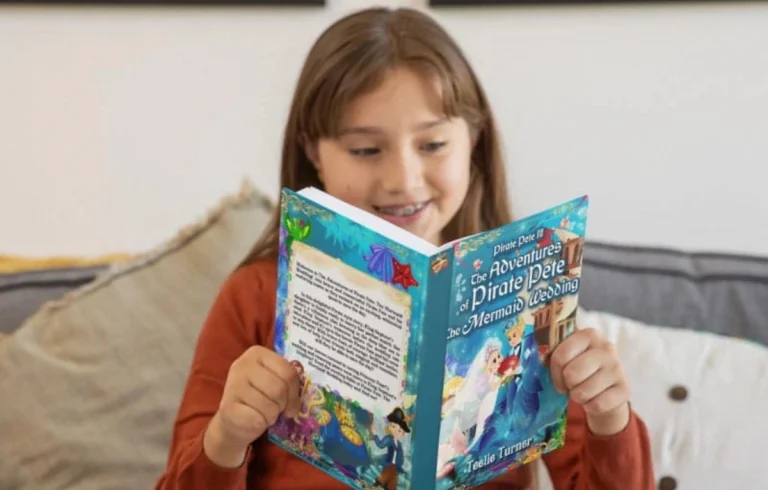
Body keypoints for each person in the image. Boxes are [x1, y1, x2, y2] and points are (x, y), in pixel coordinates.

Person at [155, 6, 655, 490]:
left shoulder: (524, 294)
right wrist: (227, 437)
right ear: (313, 153)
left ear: (473, 141)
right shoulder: (255, 295)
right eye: (366, 150)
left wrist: (611, 418)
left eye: (432, 145)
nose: (403, 179)